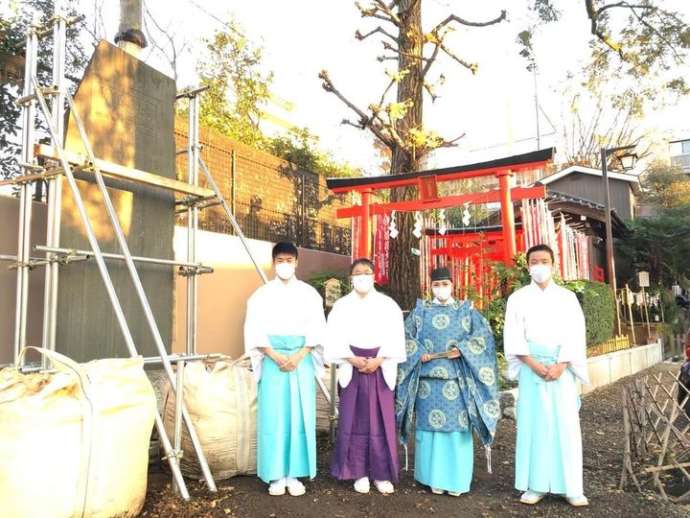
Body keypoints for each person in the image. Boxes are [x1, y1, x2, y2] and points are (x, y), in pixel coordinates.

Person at [396, 266, 500, 497]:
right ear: (430, 286)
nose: (441, 288)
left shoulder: (466, 310)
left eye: (445, 284)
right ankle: (432, 478)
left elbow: (484, 337)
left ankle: (457, 480)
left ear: (453, 285)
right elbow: (405, 337)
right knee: (429, 431)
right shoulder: (421, 311)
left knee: (457, 430)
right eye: (436, 284)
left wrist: (462, 349)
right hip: (427, 382)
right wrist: (418, 351)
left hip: (457, 381)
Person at [503, 244, 589, 507]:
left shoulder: (567, 298)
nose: (539, 266)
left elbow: (575, 333)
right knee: (534, 425)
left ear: (553, 264)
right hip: (532, 368)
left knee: (565, 425)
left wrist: (562, 364)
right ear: (527, 266)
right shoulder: (518, 298)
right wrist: (532, 363)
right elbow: (513, 336)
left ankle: (571, 486)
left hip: (561, 368)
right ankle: (536, 484)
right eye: (534, 261)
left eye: (544, 261)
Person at [244, 241, 326, 497]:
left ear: (296, 262)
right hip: (272, 360)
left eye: (289, 260)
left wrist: (301, 354)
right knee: (274, 416)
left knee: (299, 417)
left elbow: (317, 328)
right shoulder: (261, 295)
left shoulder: (310, 294)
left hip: (300, 360)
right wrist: (274, 355)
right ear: (273, 263)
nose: (285, 265)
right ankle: (276, 474)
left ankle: (295, 473)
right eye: (281, 260)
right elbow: (253, 328)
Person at [325, 258, 406, 494]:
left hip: (380, 365)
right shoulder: (341, 306)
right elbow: (333, 337)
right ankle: (357, 472)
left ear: (374, 276)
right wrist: (350, 358)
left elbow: (396, 337)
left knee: (382, 422)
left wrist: (380, 360)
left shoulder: (388, 305)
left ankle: (381, 474)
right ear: (351, 278)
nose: (362, 277)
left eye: (366, 272)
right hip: (353, 364)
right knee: (354, 420)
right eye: (357, 273)